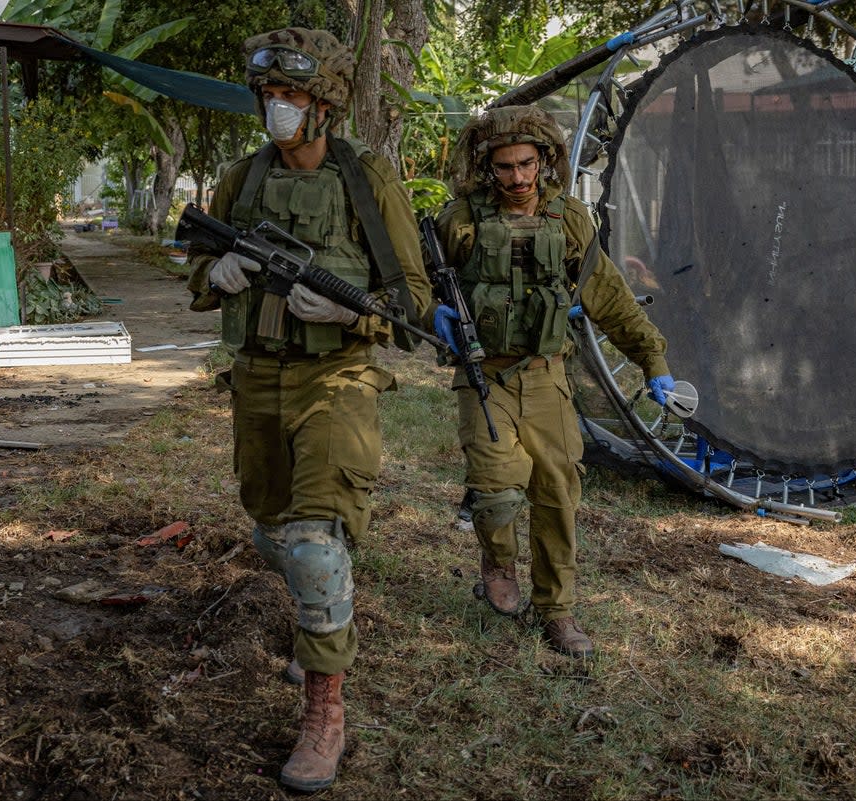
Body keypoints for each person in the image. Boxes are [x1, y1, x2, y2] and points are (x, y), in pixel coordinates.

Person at [185, 27, 431, 793]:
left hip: (340, 379)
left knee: (316, 541)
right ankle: (318, 613)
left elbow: (413, 304)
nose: (277, 109)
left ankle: (324, 710)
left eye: (292, 95)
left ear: (325, 104)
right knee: (269, 526)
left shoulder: (369, 182)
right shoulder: (243, 178)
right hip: (257, 377)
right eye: (269, 95)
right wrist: (215, 274)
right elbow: (193, 269)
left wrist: (348, 314)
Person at [430, 105, 674, 658]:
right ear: (487, 168)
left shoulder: (568, 222)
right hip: (485, 377)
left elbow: (609, 296)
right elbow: (418, 287)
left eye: (526, 164)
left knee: (557, 495)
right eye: (505, 167)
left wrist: (653, 361)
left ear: (544, 161)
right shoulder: (460, 222)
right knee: (496, 491)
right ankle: (497, 560)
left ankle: (557, 611)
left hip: (546, 378)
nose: (517, 178)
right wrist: (432, 316)